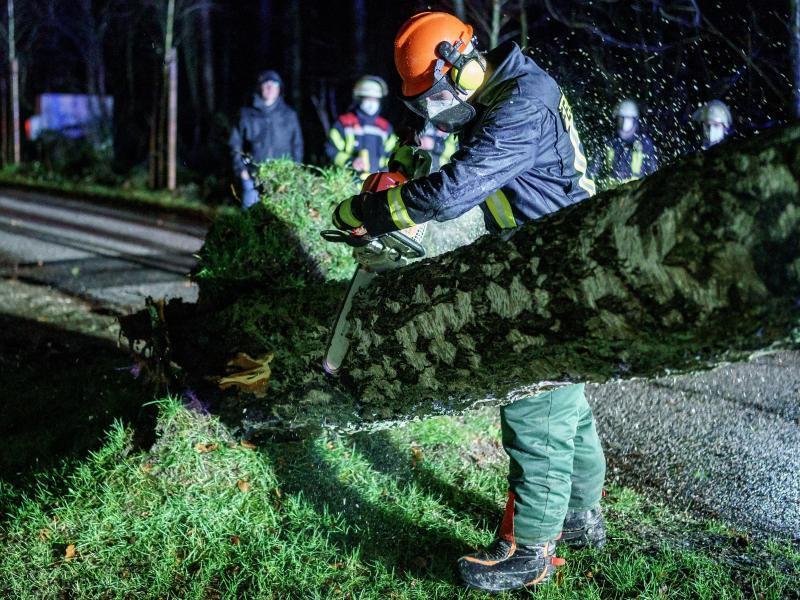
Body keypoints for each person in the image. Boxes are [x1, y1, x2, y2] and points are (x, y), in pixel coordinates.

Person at [330, 11, 605, 593]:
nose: (433, 111)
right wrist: (401, 164)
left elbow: (456, 190)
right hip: (547, 251)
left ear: (462, 67)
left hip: (556, 267)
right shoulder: (498, 86)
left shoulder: (519, 107)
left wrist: (368, 212)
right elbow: (431, 132)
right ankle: (581, 516)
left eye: (433, 97)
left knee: (534, 403)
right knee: (568, 402)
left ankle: (529, 549)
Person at [229, 70, 304, 209]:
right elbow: (235, 143)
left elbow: (297, 145)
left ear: (279, 89)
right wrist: (241, 171)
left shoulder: (289, 115)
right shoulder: (246, 114)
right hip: (252, 178)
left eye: (274, 84)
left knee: (277, 222)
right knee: (249, 222)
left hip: (281, 179)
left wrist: (295, 171)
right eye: (266, 84)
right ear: (260, 87)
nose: (270, 88)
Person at [325, 76, 398, 177]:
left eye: (375, 99)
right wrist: (350, 162)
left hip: (376, 185)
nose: (372, 103)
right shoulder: (344, 123)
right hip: (348, 182)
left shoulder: (385, 127)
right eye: (368, 98)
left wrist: (385, 173)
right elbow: (330, 150)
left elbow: (393, 155)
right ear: (358, 99)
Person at [591, 98, 658, 188]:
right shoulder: (609, 141)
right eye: (621, 118)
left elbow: (653, 173)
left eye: (628, 119)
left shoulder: (644, 143)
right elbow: (593, 170)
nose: (624, 122)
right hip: (608, 194)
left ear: (634, 120)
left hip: (634, 195)